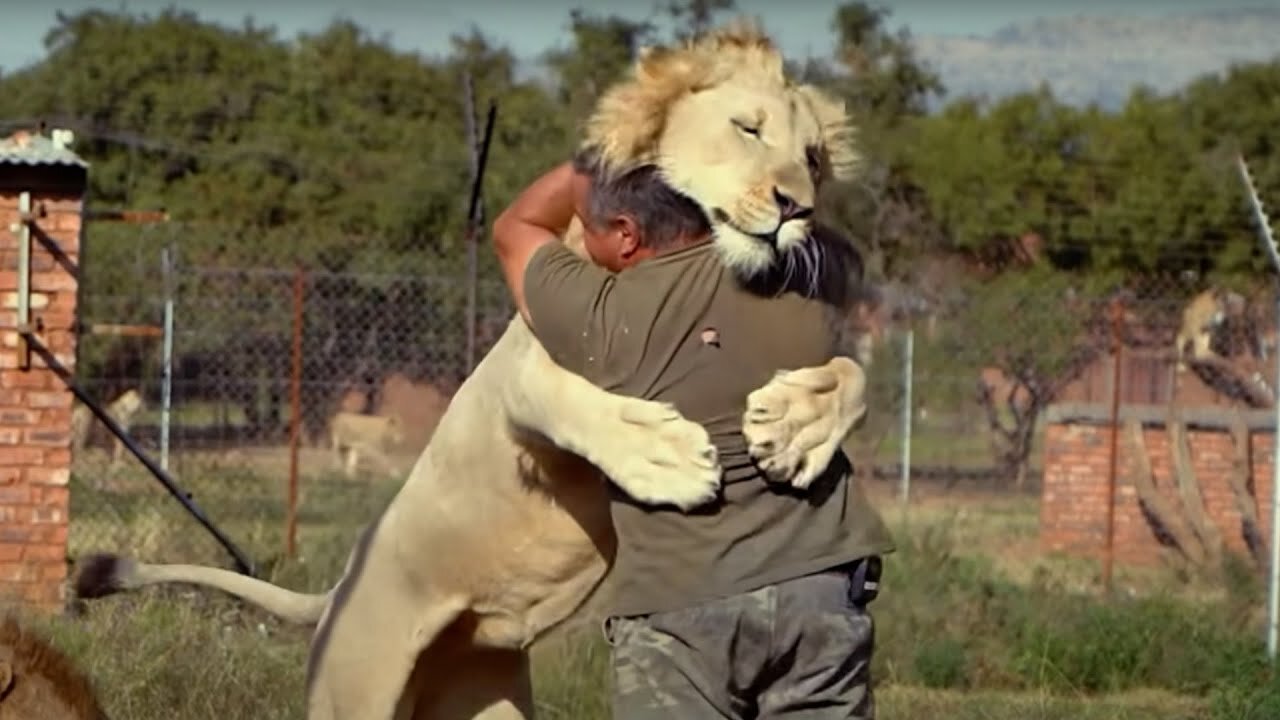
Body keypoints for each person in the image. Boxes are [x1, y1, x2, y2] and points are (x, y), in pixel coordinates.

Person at [491, 154, 896, 720]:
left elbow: (516, 228)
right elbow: (814, 215)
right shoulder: (803, 275)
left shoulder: (604, 318)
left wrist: (596, 153)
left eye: (591, 231)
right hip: (819, 591)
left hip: (680, 607)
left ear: (627, 236)